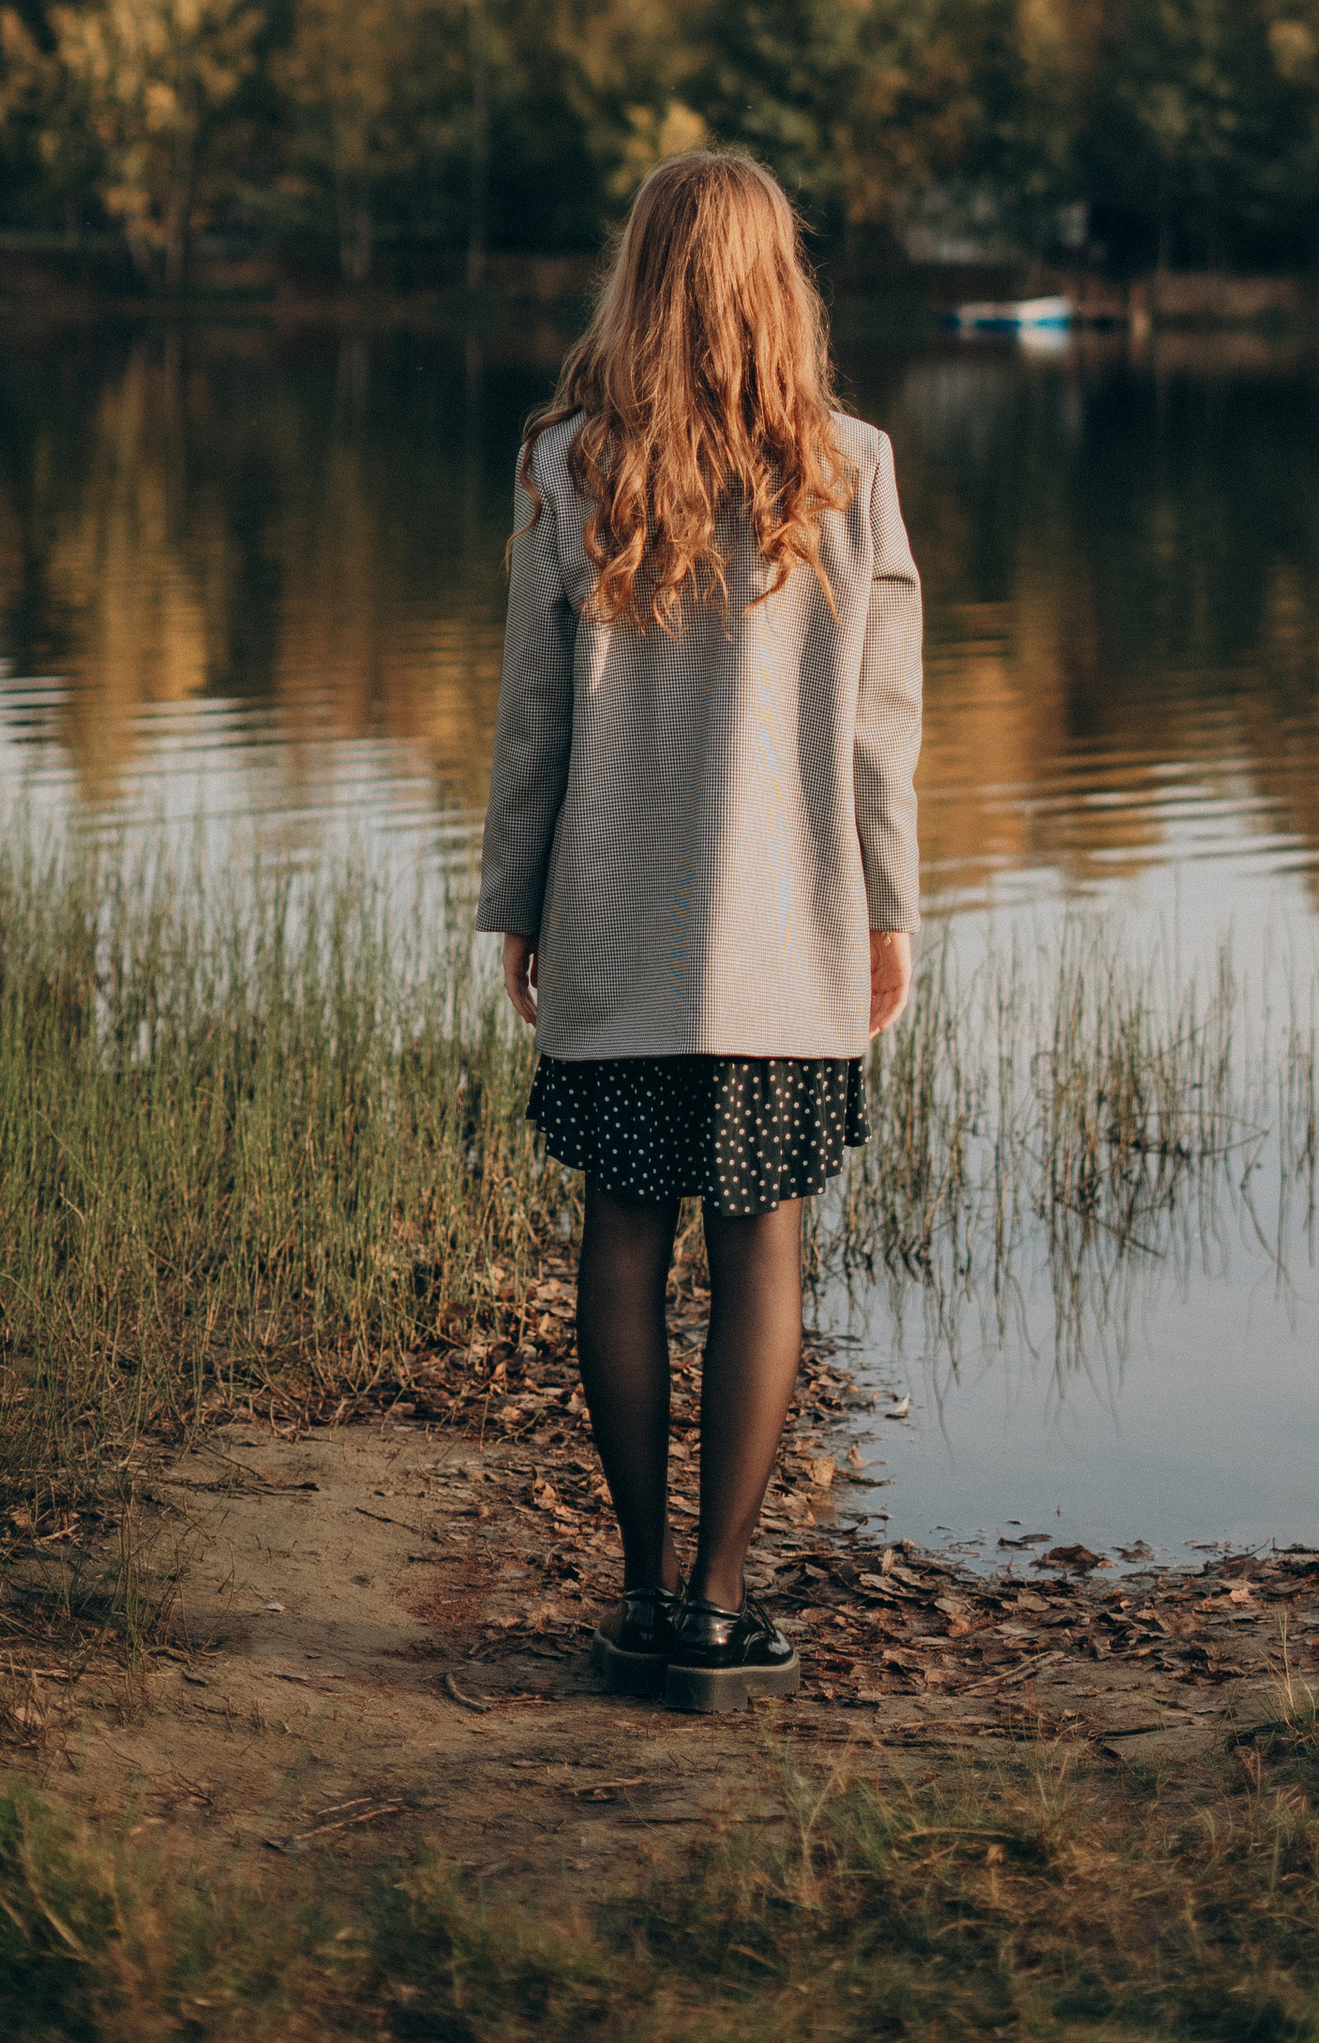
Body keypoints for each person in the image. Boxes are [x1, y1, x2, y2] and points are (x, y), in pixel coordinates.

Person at [475, 150, 922, 1713]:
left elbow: (533, 719)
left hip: (613, 929)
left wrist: (516, 901)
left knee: (621, 1233)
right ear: (778, 285)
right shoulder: (848, 468)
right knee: (760, 1245)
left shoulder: (569, 466)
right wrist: (888, 915)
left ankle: (639, 1596)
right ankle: (722, 1613)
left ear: (642, 279)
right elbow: (879, 737)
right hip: (783, 947)